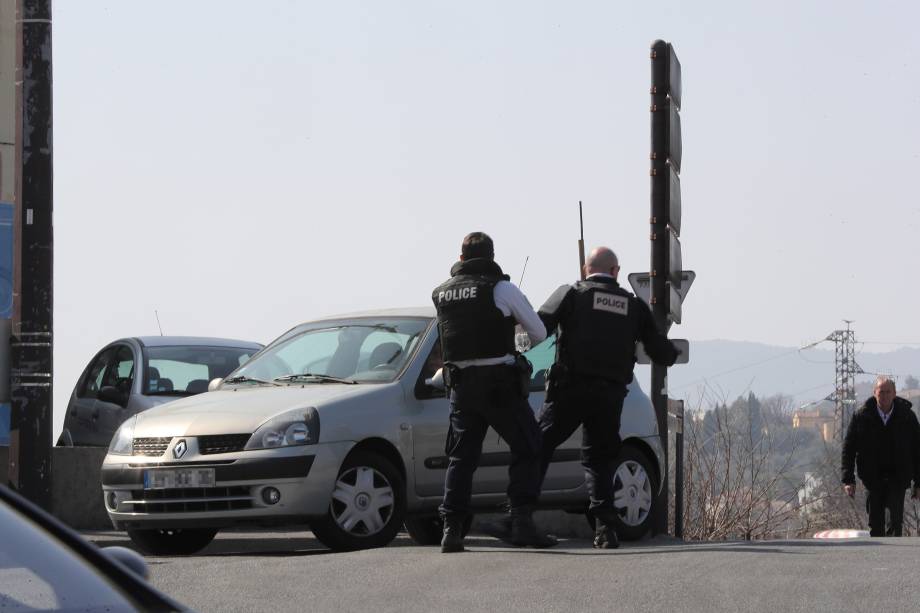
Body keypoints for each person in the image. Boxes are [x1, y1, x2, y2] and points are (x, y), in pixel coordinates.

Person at [494, 246, 678, 549]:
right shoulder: (633, 306)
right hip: (610, 395)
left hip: (569, 390)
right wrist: (672, 351)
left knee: (537, 447)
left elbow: (537, 327)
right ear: (616, 272)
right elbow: (660, 351)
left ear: (585, 269)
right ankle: (605, 528)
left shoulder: (571, 294)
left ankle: (519, 516)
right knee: (600, 459)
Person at [431, 231, 558, 553]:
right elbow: (540, 332)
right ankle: (520, 522)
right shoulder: (501, 288)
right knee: (530, 446)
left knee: (462, 458)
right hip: (498, 385)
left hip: (460, 386)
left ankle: (452, 529)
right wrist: (511, 325)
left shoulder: (441, 293)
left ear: (461, 259)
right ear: (491, 257)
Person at [841, 376, 920, 536]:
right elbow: (848, 449)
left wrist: (918, 483)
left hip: (898, 478)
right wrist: (848, 479)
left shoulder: (907, 417)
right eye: (880, 392)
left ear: (894, 394)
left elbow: (917, 450)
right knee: (875, 525)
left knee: (895, 524)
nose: (884, 396)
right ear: (874, 393)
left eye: (887, 392)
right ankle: (878, 559)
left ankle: (894, 559)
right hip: (872, 478)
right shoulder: (862, 416)